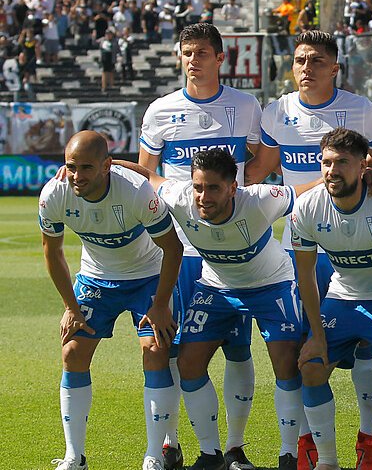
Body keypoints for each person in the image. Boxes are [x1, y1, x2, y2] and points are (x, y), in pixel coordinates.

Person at [245, 29, 372, 470]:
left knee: (364, 349)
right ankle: (311, 446)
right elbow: (259, 171)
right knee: (307, 349)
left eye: (317, 61)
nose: (307, 68)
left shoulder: (361, 110)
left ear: (334, 68)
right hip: (304, 243)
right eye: (300, 60)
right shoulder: (278, 110)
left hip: (358, 240)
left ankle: (368, 437)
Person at [119, 148, 304, 470]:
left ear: (233, 187)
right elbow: (148, 175)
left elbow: (305, 190)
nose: (203, 196)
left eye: (214, 188)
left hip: (271, 284)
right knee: (189, 363)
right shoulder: (180, 196)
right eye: (198, 187)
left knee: (286, 362)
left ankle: (289, 454)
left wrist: (361, 175)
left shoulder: (260, 199)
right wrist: (107, 165)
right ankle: (210, 454)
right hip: (216, 286)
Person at [138, 22, 262, 470]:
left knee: (236, 349)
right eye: (188, 52)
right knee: (168, 347)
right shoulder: (160, 110)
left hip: (230, 251)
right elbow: (145, 173)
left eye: (203, 52)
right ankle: (169, 445)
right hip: (178, 252)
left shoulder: (246, 106)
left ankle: (234, 446)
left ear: (220, 58)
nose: (194, 60)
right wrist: (179, 195)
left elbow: (258, 163)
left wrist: (237, 202)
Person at [39, 131, 183, 470]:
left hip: (146, 277)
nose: (77, 176)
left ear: (106, 166)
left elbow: (173, 249)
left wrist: (160, 305)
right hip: (95, 277)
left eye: (86, 167)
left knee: (155, 350)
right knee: (72, 352)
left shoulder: (136, 191)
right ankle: (75, 457)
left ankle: (155, 455)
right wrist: (71, 308)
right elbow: (52, 251)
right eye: (71, 167)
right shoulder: (54, 194)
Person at [291, 128, 372, 470]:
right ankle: (328, 462)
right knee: (311, 366)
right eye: (326, 162)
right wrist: (316, 335)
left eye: (341, 163)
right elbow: (305, 275)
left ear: (363, 166)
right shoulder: (307, 207)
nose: (331, 170)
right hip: (343, 295)